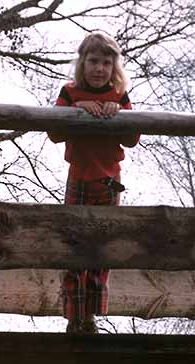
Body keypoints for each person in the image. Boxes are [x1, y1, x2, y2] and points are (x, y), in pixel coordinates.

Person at [49, 32, 140, 333]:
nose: (99, 69)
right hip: (79, 177)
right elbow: (54, 132)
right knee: (74, 245)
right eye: (93, 61)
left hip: (110, 181)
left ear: (114, 68)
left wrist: (119, 115)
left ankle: (92, 315)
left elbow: (132, 139)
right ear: (82, 63)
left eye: (106, 63)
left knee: (102, 249)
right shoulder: (70, 92)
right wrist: (79, 109)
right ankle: (75, 317)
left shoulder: (119, 96)